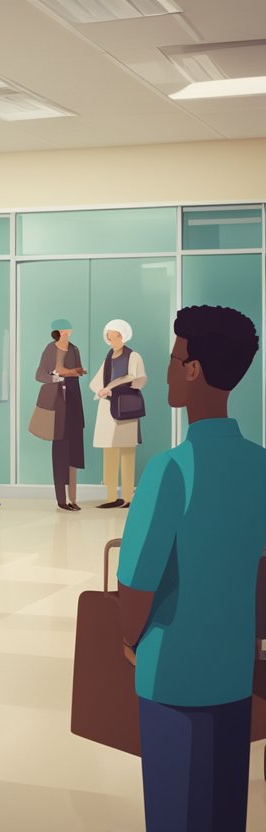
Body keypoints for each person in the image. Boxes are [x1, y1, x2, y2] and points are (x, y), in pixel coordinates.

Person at [117, 305, 265, 832]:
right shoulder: (261, 465)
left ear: (194, 370)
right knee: (226, 811)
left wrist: (130, 641)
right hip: (233, 672)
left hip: (171, 678)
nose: (167, 370)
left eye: (175, 358)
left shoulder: (169, 470)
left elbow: (136, 584)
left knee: (176, 812)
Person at [89, 319, 147, 509]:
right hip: (107, 407)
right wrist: (101, 390)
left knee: (127, 452)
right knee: (110, 451)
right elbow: (98, 380)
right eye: (110, 337)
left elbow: (137, 379)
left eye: (116, 336)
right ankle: (112, 497)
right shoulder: (108, 358)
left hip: (125, 407)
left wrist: (114, 389)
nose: (113, 340)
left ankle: (129, 497)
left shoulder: (133, 356)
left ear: (124, 336)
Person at [35, 319, 86, 511]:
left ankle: (73, 498)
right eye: (63, 331)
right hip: (58, 403)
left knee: (74, 451)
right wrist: (56, 377)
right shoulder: (50, 349)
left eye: (68, 331)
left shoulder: (75, 349)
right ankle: (61, 499)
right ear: (57, 332)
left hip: (73, 401)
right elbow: (39, 374)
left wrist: (75, 372)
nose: (66, 334)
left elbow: (78, 372)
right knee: (60, 451)